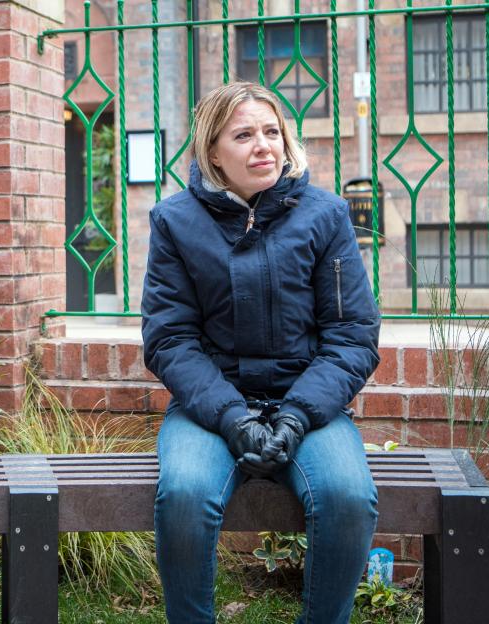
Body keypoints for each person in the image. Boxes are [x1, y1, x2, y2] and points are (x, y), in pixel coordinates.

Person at [141, 82, 381, 624]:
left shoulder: (327, 215)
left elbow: (352, 334)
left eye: (272, 132)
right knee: (183, 494)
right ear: (213, 153)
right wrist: (230, 416)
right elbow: (170, 339)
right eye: (244, 134)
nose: (263, 146)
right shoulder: (174, 222)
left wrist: (297, 415)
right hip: (211, 408)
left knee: (346, 497)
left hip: (308, 406)